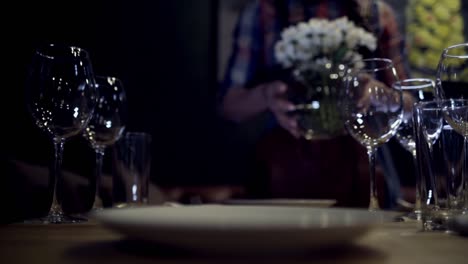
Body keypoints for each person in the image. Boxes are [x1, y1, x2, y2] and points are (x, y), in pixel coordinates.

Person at [218, 0, 412, 208]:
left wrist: (382, 96)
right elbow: (228, 106)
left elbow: (411, 108)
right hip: (285, 173)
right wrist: (267, 95)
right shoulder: (261, 11)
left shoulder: (375, 12)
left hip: (364, 169)